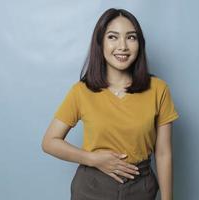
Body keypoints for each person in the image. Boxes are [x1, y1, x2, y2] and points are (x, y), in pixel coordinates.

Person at [41, 8, 179, 200]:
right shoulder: (81, 91)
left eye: (131, 37)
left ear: (139, 44)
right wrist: (93, 159)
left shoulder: (158, 89)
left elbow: (163, 153)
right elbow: (49, 142)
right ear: (100, 43)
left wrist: (167, 199)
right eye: (113, 37)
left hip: (141, 187)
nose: (122, 46)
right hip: (92, 187)